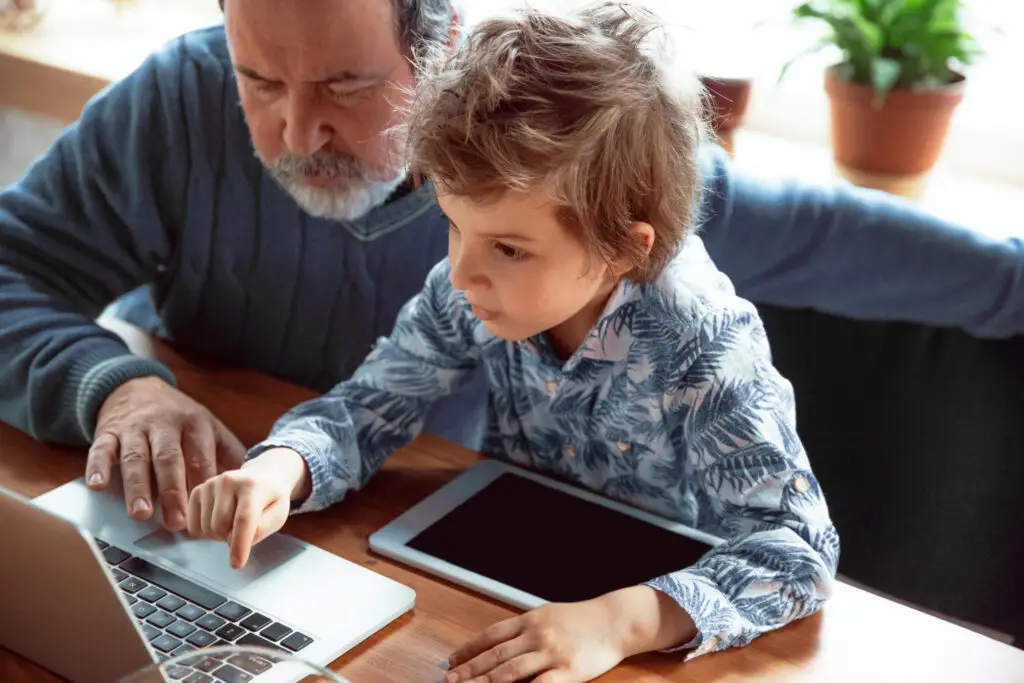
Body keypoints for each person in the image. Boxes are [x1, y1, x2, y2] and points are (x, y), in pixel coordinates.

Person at [0, 0, 1020, 534]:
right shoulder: (174, 97)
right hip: (202, 514)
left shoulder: (554, 159)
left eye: (348, 85)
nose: (296, 126)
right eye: (258, 78)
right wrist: (116, 385)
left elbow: (836, 237)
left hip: (415, 541)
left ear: (437, 47)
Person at [187, 5, 839, 682]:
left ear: (621, 248)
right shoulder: (471, 285)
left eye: (507, 247)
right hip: (505, 577)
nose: (462, 271)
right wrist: (282, 469)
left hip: (649, 637)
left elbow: (797, 550)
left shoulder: (703, 338)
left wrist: (621, 622)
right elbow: (370, 404)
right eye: (452, 225)